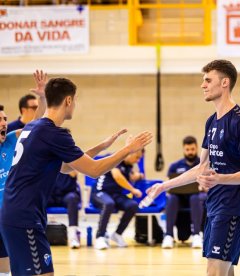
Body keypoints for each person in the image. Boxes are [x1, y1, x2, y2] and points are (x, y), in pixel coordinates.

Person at [0, 77, 152, 276]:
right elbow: (94, 170)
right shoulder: (54, 133)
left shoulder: (33, 128)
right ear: (69, 101)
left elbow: (65, 167)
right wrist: (128, 150)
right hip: (24, 217)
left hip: (16, 214)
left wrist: (103, 146)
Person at [146, 59, 240, 275]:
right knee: (224, 271)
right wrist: (163, 186)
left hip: (232, 208)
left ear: (224, 83)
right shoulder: (211, 122)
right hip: (214, 205)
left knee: (214, 271)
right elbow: (201, 168)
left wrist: (219, 179)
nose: (203, 85)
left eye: (208, 80)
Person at [0, 70, 47, 275]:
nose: (4, 123)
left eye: (5, 119)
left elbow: (37, 125)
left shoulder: (11, 139)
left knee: (8, 269)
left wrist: (42, 96)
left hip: (9, 217)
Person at [91, 148, 145, 250]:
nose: (138, 161)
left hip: (116, 195)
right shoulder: (115, 158)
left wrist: (139, 176)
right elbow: (117, 177)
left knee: (132, 205)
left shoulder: (128, 166)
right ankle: (100, 237)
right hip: (100, 192)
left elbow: (132, 176)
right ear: (130, 153)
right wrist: (133, 190)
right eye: (137, 157)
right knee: (108, 204)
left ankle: (117, 234)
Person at [162, 135, 204, 249]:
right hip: (179, 198)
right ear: (183, 149)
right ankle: (168, 235)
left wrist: (204, 186)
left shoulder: (203, 164)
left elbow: (212, 180)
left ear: (196, 148)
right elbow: (167, 182)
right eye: (187, 149)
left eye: (192, 149)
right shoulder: (175, 166)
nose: (190, 152)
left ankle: (196, 235)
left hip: (196, 196)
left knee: (195, 198)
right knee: (171, 198)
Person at [47, 171, 82, 249]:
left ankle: (73, 235)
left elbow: (74, 173)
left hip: (66, 194)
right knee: (38, 198)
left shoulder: (70, 159)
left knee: (72, 198)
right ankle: (37, 233)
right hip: (50, 194)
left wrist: (63, 160)